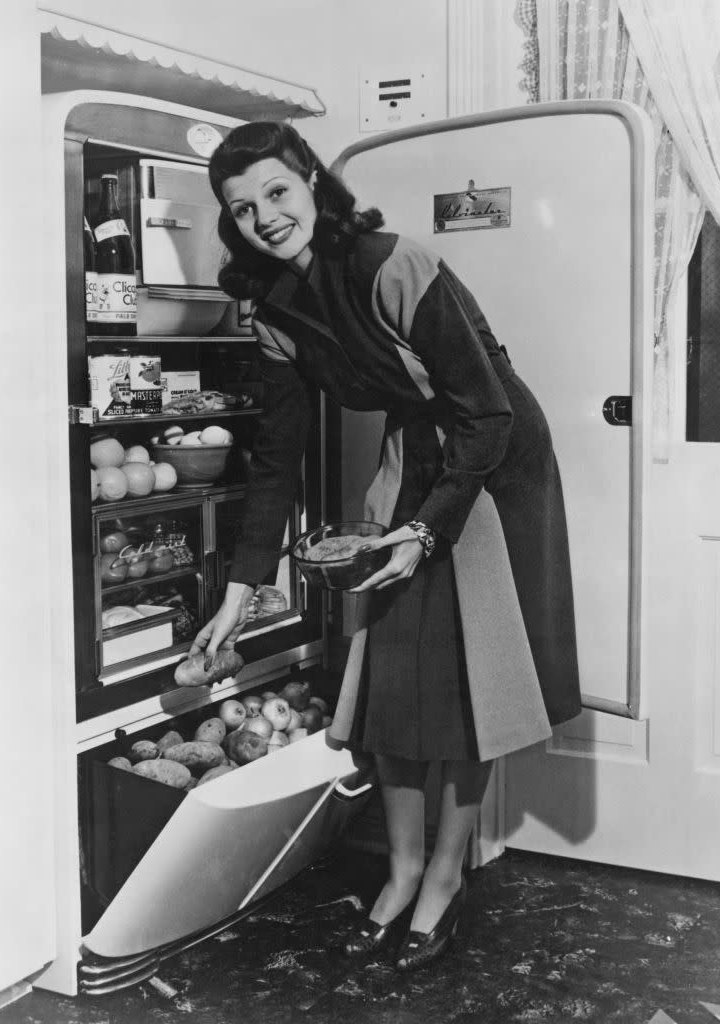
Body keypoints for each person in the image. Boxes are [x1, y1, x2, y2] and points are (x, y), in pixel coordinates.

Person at [190, 121, 581, 972]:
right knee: (391, 677)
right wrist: (239, 587)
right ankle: (401, 868)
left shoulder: (393, 262)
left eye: (277, 192)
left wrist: (427, 527)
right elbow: (276, 458)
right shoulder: (272, 309)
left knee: (470, 681)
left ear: (312, 183)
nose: (265, 216)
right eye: (242, 207)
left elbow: (486, 409)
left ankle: (444, 874)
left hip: (493, 458)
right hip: (417, 453)